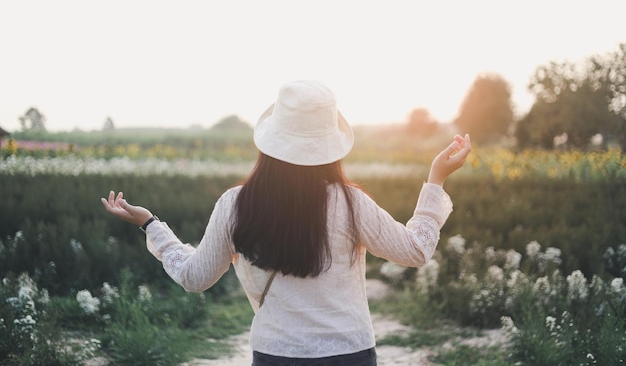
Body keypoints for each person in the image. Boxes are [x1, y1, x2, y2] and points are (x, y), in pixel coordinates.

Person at [101, 79, 471, 366]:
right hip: (350, 354)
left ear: (271, 141)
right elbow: (416, 249)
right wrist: (436, 179)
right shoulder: (351, 202)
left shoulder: (236, 205)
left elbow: (195, 278)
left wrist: (152, 225)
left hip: (276, 355)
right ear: (331, 145)